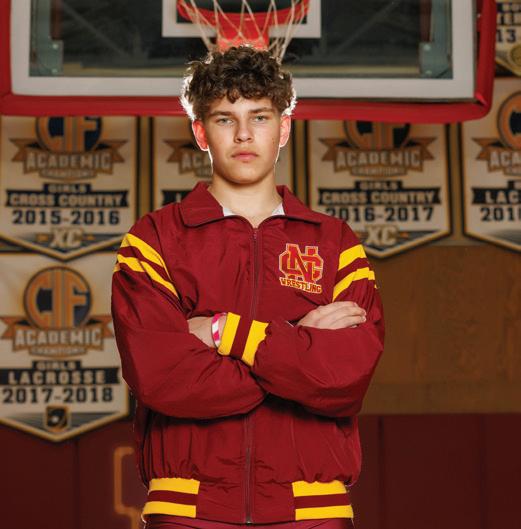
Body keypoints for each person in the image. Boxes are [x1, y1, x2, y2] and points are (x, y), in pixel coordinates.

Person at [112, 46, 384, 529]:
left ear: (283, 129)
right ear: (201, 132)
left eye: (259, 117)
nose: (243, 134)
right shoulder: (154, 240)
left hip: (312, 510)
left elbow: (344, 380)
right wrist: (298, 346)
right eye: (225, 119)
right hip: (189, 509)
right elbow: (163, 379)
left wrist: (223, 331)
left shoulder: (335, 243)